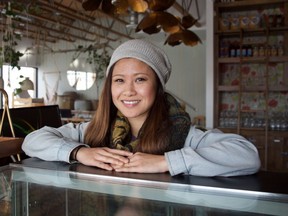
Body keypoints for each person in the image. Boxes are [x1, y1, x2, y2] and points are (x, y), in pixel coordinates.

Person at [22, 39, 261, 177]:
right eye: (119, 80)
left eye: (140, 79)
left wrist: (166, 162)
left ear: (157, 88)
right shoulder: (92, 132)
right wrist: (79, 152)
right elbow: (31, 141)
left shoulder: (184, 136)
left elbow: (247, 155)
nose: (128, 91)